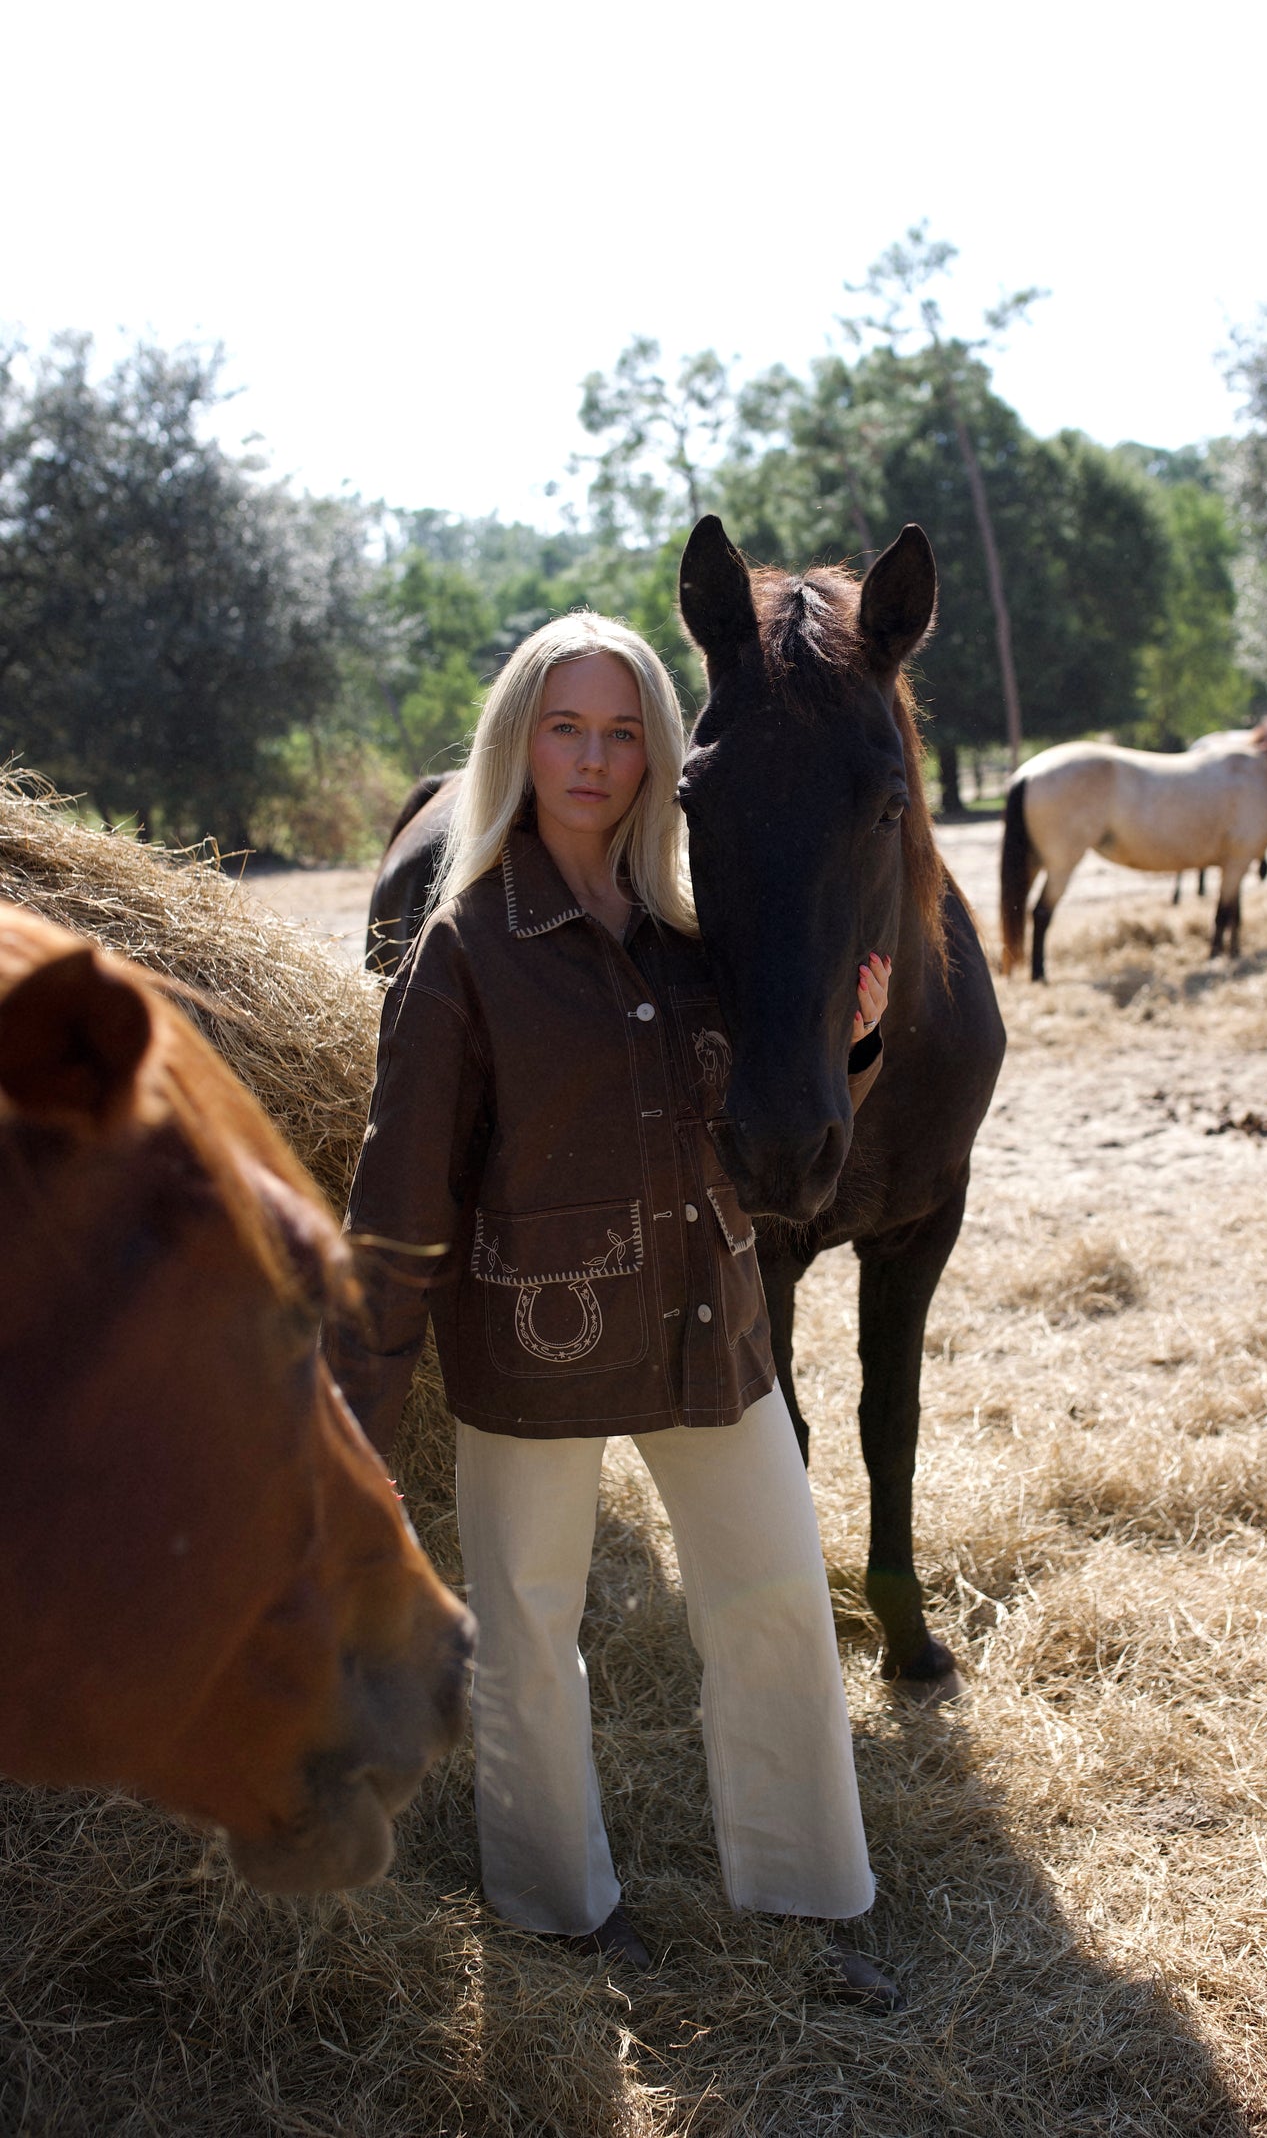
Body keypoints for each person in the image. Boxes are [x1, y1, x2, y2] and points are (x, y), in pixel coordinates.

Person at [327, 612, 896, 2005]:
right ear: (518, 739)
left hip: (710, 1324)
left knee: (776, 1606)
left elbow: (756, 1137)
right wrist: (353, 1426)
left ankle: (808, 1890)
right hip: (532, 1345)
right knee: (528, 1633)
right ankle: (557, 1908)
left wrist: (860, 1042)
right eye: (565, 727)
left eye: (623, 729)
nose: (593, 758)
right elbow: (398, 1209)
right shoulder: (463, 948)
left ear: (659, 750)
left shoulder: (693, 936)